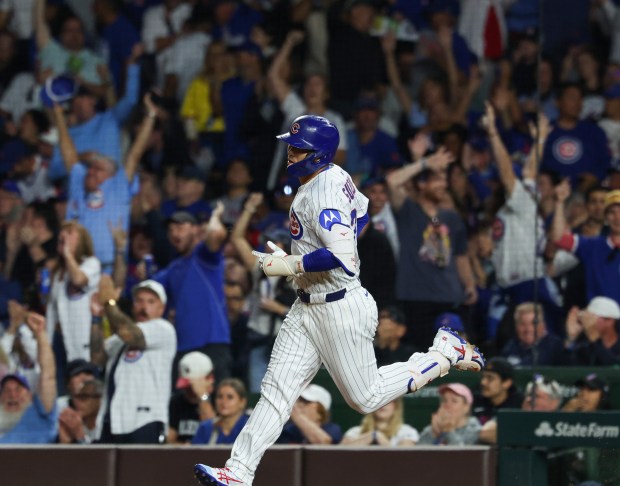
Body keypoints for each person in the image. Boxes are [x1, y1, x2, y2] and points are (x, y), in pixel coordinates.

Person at [194, 115, 484, 486]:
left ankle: (443, 355)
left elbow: (344, 256)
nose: (290, 154)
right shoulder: (333, 176)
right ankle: (238, 472)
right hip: (306, 306)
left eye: (298, 149)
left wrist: (291, 263)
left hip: (339, 307)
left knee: (366, 398)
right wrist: (301, 265)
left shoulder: (322, 192)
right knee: (275, 393)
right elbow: (362, 217)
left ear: (318, 155)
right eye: (291, 146)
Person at [386, 147, 477, 348]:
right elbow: (393, 181)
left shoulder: (451, 217)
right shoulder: (408, 210)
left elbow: (461, 255)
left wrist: (469, 284)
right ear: (422, 183)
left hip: (449, 296)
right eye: (437, 180)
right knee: (421, 357)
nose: (443, 185)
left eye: (444, 180)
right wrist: (424, 163)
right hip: (416, 298)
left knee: (454, 355)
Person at [90, 277, 176, 444]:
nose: (144, 307)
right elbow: (97, 357)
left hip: (145, 420)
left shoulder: (164, 329)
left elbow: (132, 336)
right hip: (113, 420)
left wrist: (109, 302)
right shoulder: (119, 339)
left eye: (151, 302)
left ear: (161, 308)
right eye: (139, 301)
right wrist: (96, 318)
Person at [153, 204, 231, 383]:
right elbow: (148, 290)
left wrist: (215, 215)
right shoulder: (173, 269)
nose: (174, 233)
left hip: (211, 345)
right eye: (171, 230)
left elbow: (217, 234)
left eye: (180, 227)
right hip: (182, 348)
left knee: (215, 403)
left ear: (196, 230)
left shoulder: (204, 257)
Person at [45, 221, 101, 384]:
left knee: (82, 388)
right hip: (58, 341)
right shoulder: (57, 274)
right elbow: (52, 311)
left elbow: (78, 279)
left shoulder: (91, 264)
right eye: (62, 234)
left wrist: (68, 253)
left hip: (81, 341)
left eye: (70, 233)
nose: (64, 236)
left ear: (82, 240)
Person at [552, 187, 620, 305]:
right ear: (606, 218)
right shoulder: (592, 245)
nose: (617, 218)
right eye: (611, 213)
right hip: (598, 318)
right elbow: (559, 238)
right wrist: (559, 203)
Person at [0, 312, 57, 443]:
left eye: (18, 389)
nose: (12, 395)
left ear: (30, 396)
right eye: (6, 391)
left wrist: (40, 334)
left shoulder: (39, 412)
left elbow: (48, 376)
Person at [168, 351, 216, 444]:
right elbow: (169, 441)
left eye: (192, 386)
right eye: (186, 386)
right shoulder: (176, 402)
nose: (187, 390)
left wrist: (202, 396)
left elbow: (212, 433)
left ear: (208, 379)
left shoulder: (220, 398)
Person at [500, 302, 567, 366]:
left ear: (543, 325)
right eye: (522, 324)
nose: (528, 329)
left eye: (533, 323)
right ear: (516, 326)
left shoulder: (556, 346)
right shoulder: (510, 347)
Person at [276, 384, 342, 445]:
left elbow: (324, 443)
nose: (299, 404)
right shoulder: (288, 429)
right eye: (298, 400)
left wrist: (294, 412)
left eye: (305, 401)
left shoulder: (332, 429)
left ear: (321, 410)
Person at [341, 397, 419, 446]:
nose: (382, 405)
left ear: (396, 406)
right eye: (379, 401)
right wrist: (371, 436)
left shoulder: (407, 432)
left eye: (387, 401)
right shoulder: (355, 431)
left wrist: (379, 438)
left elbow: (405, 458)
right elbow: (339, 454)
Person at [192, 378, 249, 445]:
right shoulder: (206, 428)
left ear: (242, 402)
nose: (223, 402)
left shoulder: (252, 428)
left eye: (230, 397)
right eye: (220, 397)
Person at [566, 297, 620, 365]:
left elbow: (614, 368)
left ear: (609, 321)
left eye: (591, 317)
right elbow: (565, 369)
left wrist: (596, 340)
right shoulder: (584, 346)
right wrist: (572, 338)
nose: (587, 321)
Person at [57, 378, 103, 444]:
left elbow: (99, 453)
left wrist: (80, 435)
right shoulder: (72, 424)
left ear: (99, 400)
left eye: (83, 397)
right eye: (76, 397)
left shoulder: (107, 425)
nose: (77, 402)